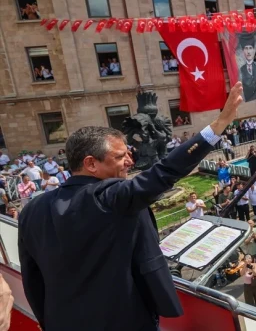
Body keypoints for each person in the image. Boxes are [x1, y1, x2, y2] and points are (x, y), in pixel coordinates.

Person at [17, 82, 243, 330]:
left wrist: (47, 322)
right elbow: (165, 171)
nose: (130, 161)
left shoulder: (30, 210)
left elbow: (33, 280)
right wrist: (218, 125)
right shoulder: (107, 198)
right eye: (120, 156)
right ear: (91, 164)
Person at [237, 33, 256, 102]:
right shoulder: (241, 69)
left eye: (250, 48)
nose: (248, 51)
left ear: (253, 50)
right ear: (243, 51)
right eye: (246, 48)